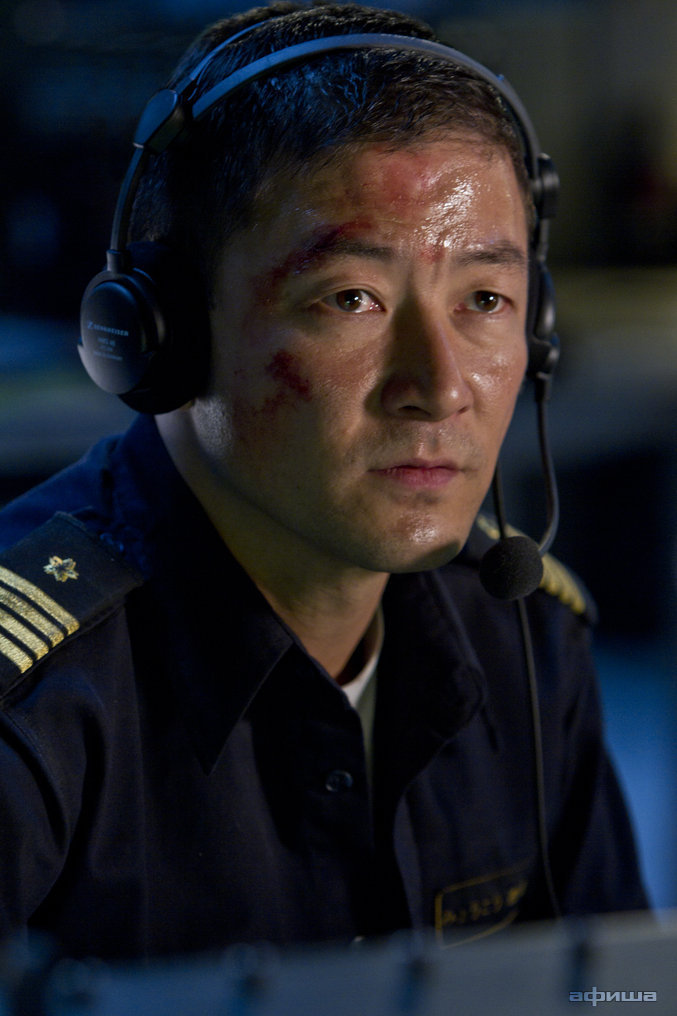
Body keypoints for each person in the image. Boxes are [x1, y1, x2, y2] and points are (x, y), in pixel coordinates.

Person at [0, 0, 647, 961]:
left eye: (485, 299)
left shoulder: (525, 636)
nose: (439, 388)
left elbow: (611, 996)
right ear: (163, 335)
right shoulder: (35, 708)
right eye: (351, 299)